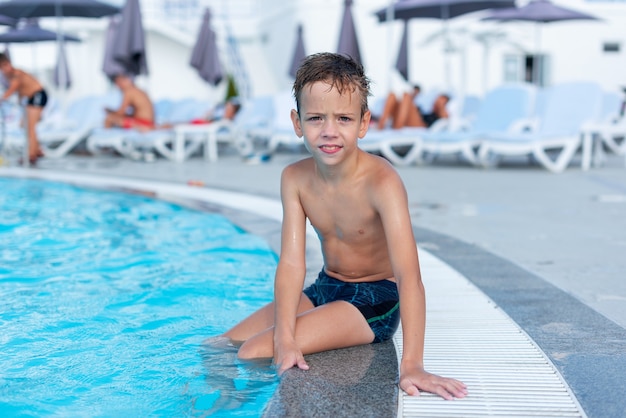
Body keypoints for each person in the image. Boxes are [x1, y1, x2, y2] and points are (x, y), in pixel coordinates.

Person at [218, 52, 468, 400]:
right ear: (297, 122)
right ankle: (216, 404)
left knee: (252, 351)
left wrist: (412, 363)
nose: (329, 131)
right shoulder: (295, 178)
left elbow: (409, 275)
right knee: (221, 345)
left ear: (363, 123)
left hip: (376, 298)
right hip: (326, 286)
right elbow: (291, 263)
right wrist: (285, 336)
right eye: (316, 118)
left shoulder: (382, 182)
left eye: (344, 118)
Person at [0, 52, 47, 164]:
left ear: (8, 64)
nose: (2, 71)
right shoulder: (9, 75)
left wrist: (2, 99)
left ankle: (31, 155)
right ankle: (37, 149)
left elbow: (13, 88)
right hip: (31, 99)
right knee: (23, 125)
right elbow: (20, 91)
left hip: (37, 95)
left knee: (30, 127)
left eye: (2, 67)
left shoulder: (17, 73)